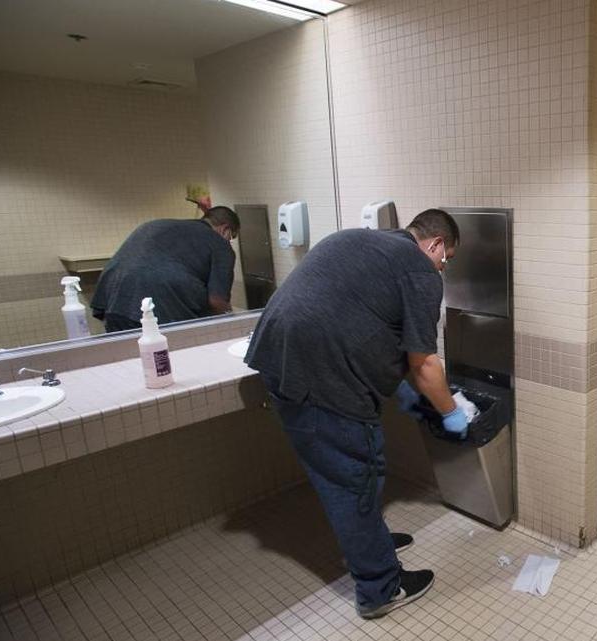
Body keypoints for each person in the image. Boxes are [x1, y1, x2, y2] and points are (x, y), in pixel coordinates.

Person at [245, 209, 467, 620]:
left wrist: (404, 392)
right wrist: (451, 412)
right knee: (355, 477)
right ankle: (381, 587)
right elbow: (425, 365)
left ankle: (371, 544)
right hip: (325, 381)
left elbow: (370, 326)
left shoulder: (358, 242)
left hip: (277, 361)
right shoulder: (419, 270)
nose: (442, 266)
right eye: (445, 257)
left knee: (341, 475)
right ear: (434, 244)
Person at [91, 207, 239, 332]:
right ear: (225, 230)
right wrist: (234, 325)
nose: (229, 241)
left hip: (113, 300)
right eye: (232, 237)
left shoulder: (158, 225)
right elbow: (217, 302)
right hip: (163, 307)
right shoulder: (220, 244)